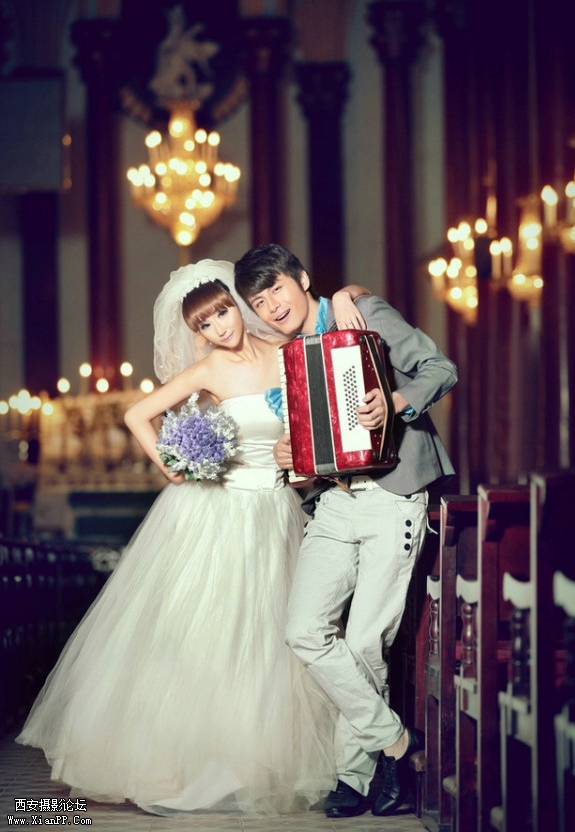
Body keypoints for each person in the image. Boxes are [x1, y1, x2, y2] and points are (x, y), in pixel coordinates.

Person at [16, 259, 367, 816]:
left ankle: (256, 760)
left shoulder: (286, 350)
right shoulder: (208, 370)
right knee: (207, 632)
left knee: (273, 638)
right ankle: (191, 762)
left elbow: (318, 401)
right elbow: (137, 415)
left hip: (275, 507)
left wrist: (347, 293)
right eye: (205, 324)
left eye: (223, 313)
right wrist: (172, 465)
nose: (219, 328)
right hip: (215, 510)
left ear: (238, 305)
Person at [234, 243, 458, 818]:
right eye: (259, 302)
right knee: (304, 630)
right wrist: (290, 455)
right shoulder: (287, 359)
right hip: (333, 501)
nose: (272, 306)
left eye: (276, 289)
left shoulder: (361, 312)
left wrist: (395, 402)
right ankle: (398, 741)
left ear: (301, 279)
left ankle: (353, 777)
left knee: (362, 643)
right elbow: (311, 442)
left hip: (393, 494)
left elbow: (440, 368)